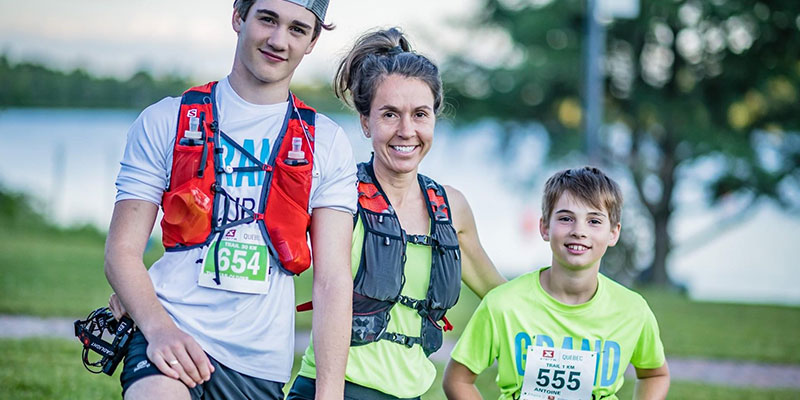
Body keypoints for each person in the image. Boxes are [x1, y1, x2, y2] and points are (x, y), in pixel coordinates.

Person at [104, 1, 356, 399]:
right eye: (267, 19)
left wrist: (329, 392)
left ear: (312, 41)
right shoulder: (166, 120)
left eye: (296, 29)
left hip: (259, 364)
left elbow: (332, 281)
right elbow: (121, 251)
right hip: (172, 333)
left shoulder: (326, 142)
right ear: (238, 16)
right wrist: (159, 329)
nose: (278, 40)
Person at [286, 27, 507, 400]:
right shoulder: (339, 195)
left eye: (420, 114)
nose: (407, 131)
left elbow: (506, 301)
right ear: (365, 122)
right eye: (390, 114)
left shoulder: (451, 208)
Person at [443, 167, 670, 400]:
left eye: (594, 221)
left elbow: (654, 374)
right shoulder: (503, 304)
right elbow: (457, 379)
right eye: (565, 218)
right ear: (544, 227)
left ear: (613, 233)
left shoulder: (632, 310)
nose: (579, 231)